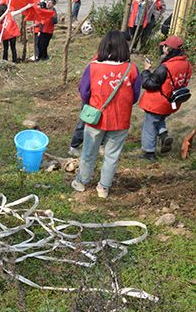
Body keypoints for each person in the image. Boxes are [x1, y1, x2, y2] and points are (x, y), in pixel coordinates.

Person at [71, 31, 141, 198]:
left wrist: (92, 103)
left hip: (96, 118)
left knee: (89, 152)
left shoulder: (93, 67)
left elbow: (84, 91)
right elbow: (135, 95)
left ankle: (81, 182)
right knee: (112, 155)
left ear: (103, 46)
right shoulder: (132, 69)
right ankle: (103, 188)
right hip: (121, 120)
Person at [138, 35, 192, 161]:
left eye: (165, 46)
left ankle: (149, 153)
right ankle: (163, 135)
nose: (163, 48)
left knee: (149, 126)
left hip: (157, 102)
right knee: (159, 119)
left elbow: (149, 84)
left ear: (170, 49)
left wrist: (146, 71)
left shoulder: (166, 67)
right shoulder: (187, 65)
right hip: (172, 101)